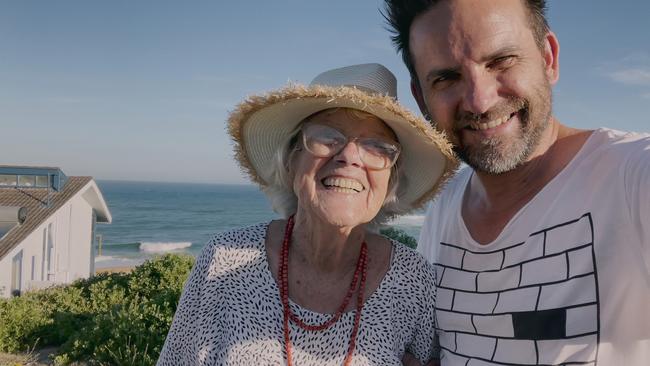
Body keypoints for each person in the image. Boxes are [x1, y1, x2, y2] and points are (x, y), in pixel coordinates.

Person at [383, 0, 650, 365]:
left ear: (548, 58)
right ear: (421, 98)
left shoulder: (631, 174)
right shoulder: (445, 206)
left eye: (501, 61)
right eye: (446, 78)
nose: (479, 101)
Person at [157, 63, 458, 365]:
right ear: (291, 160)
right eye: (328, 137)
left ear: (390, 180)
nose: (349, 157)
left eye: (377, 146)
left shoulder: (414, 280)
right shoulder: (222, 262)